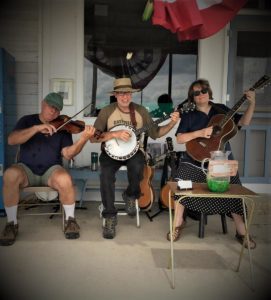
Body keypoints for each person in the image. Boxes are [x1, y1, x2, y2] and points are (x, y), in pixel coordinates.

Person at [169, 78, 256, 249]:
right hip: (193, 159)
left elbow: (243, 122)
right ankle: (178, 224)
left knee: (234, 187)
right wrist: (201, 132)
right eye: (195, 93)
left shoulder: (221, 110)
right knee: (181, 181)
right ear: (191, 97)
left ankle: (241, 232)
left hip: (219, 159)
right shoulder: (189, 114)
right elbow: (180, 138)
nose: (200, 95)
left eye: (203, 91)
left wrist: (252, 103)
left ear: (209, 93)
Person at [0, 92, 95, 246]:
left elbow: (68, 154)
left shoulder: (63, 127)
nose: (54, 112)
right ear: (43, 103)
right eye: (51, 107)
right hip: (26, 170)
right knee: (10, 175)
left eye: (57, 110)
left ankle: (70, 221)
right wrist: (36, 129)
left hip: (52, 170)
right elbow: (11, 140)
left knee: (65, 179)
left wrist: (83, 140)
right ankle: (11, 223)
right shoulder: (27, 120)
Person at [91, 77, 180, 239]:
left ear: (132, 95)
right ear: (115, 95)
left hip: (134, 151)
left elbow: (155, 133)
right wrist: (114, 134)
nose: (125, 97)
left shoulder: (140, 111)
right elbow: (93, 137)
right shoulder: (107, 111)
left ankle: (131, 195)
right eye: (121, 94)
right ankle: (110, 216)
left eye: (128, 94)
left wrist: (172, 123)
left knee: (139, 165)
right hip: (111, 153)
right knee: (105, 175)